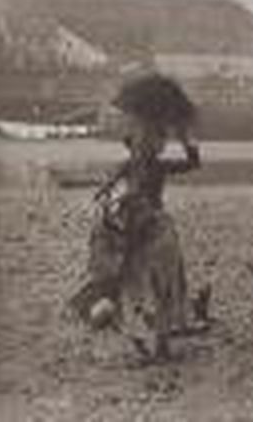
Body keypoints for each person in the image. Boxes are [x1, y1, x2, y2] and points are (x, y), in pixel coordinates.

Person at [78, 73, 202, 362]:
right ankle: (152, 342)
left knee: (156, 283)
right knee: (146, 285)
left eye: (149, 141)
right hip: (140, 226)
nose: (145, 145)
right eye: (140, 142)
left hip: (152, 226)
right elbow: (113, 190)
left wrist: (185, 138)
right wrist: (107, 193)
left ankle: (156, 342)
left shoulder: (154, 166)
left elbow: (193, 163)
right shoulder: (136, 165)